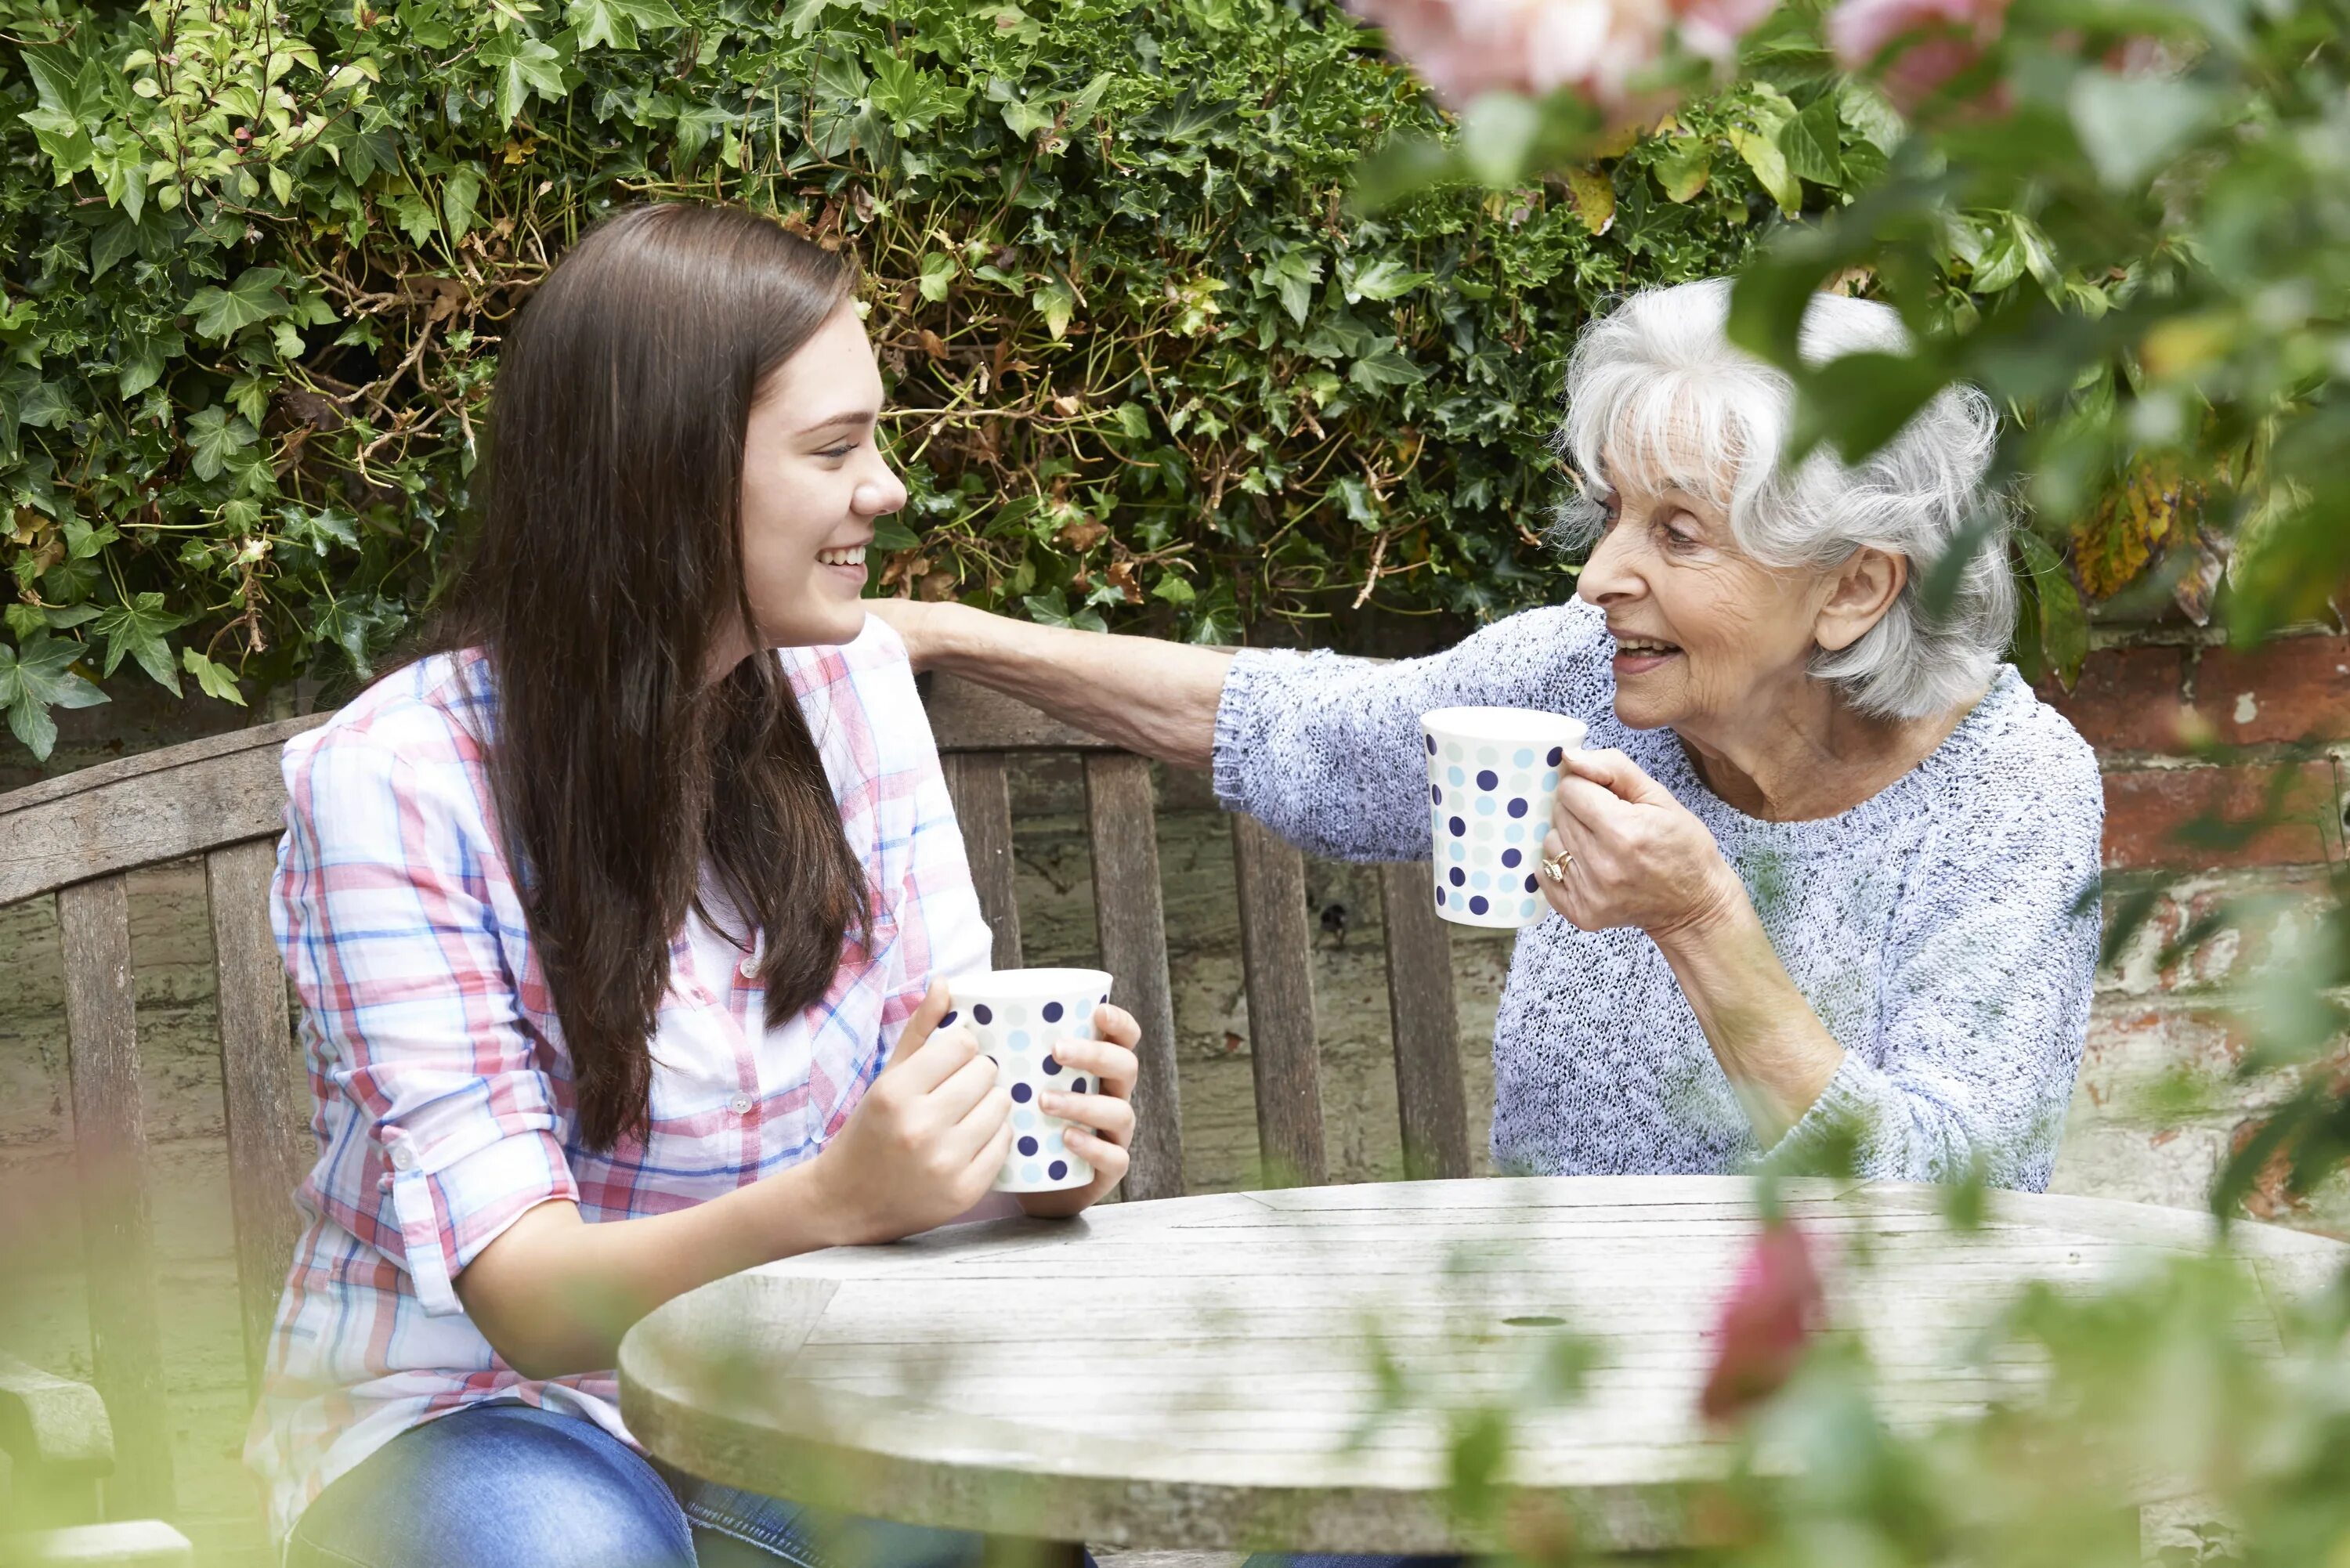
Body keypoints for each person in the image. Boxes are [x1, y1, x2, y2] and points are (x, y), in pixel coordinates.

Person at [245, 203, 1141, 1568]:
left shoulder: (851, 696)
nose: (886, 486)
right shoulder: (397, 780)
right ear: (663, 474)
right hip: (476, 1414)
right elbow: (530, 1301)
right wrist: (837, 1200)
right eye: (834, 448)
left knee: (999, 1532)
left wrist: (1020, 1155)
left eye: (875, 438)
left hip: (790, 1390)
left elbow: (935, 1090)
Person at [875, 278, 2103, 1195]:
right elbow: (1296, 726)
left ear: (1854, 587)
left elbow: (1961, 1200)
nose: (1597, 574)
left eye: (1677, 533)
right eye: (1615, 510)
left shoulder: (2006, 792)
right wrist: (950, 633)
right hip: (1545, 1384)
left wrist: (1703, 922)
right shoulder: (1583, 679)